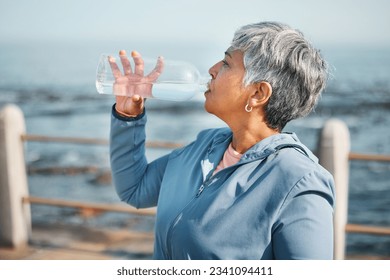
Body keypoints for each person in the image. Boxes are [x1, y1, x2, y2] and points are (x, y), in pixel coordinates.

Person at [109, 21, 335, 260]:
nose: (212, 69)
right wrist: (128, 116)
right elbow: (135, 189)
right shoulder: (204, 146)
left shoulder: (299, 182)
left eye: (227, 63)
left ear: (258, 94)